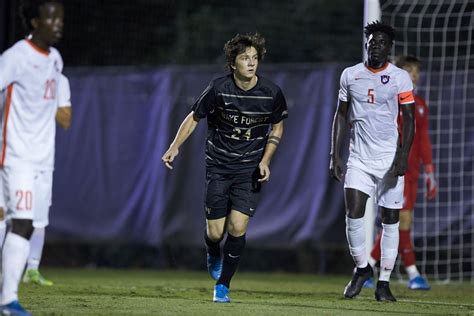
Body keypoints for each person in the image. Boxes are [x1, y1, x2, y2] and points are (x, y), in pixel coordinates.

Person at [162, 33, 288, 303]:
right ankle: (211, 250)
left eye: (255, 58)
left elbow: (277, 125)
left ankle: (223, 285)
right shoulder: (218, 88)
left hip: (249, 170)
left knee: (238, 226)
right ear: (233, 63)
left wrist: (265, 160)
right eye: (245, 58)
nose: (251, 63)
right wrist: (175, 146)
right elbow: (194, 118)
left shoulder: (271, 93)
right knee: (216, 232)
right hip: (218, 167)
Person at [330, 21, 415, 302]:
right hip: (359, 158)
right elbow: (341, 115)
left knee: (389, 221)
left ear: (389, 48)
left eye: (381, 42)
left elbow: (410, 119)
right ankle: (363, 268)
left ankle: (384, 283)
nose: (375, 45)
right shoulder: (350, 75)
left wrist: (403, 156)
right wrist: (335, 155)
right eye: (372, 41)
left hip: (390, 159)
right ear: (366, 44)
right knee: (353, 213)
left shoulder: (400, 77)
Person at [0, 0, 65, 315]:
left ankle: (7, 295)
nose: (58, 23)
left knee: (27, 223)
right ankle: (8, 300)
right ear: (35, 22)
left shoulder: (54, 59)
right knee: (20, 221)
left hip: (43, 159)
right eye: (51, 17)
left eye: (60, 17)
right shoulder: (15, 57)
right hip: (17, 156)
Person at [364, 55, 437, 290]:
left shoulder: (421, 105)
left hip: (413, 171)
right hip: (396, 169)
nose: (413, 75)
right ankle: (413, 273)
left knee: (400, 222)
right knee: (400, 220)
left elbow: (423, 140)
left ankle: (367, 268)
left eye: (416, 70)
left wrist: (430, 170)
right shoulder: (391, 103)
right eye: (408, 70)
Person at [22, 73, 72, 287]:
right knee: (4, 213)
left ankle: (32, 269)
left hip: (42, 160)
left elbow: (65, 120)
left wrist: (43, 101)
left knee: (39, 218)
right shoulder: (14, 72)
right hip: (11, 154)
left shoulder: (59, 80)